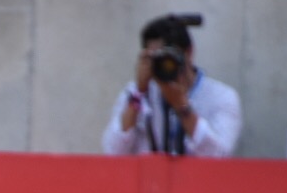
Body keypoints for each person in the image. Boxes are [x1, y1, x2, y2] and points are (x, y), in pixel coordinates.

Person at [102, 14, 239, 157]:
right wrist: (138, 95)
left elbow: (219, 155)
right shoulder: (135, 94)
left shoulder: (221, 97)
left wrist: (182, 107)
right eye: (157, 58)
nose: (165, 65)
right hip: (147, 177)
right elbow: (113, 152)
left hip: (198, 178)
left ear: (189, 52)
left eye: (170, 58)